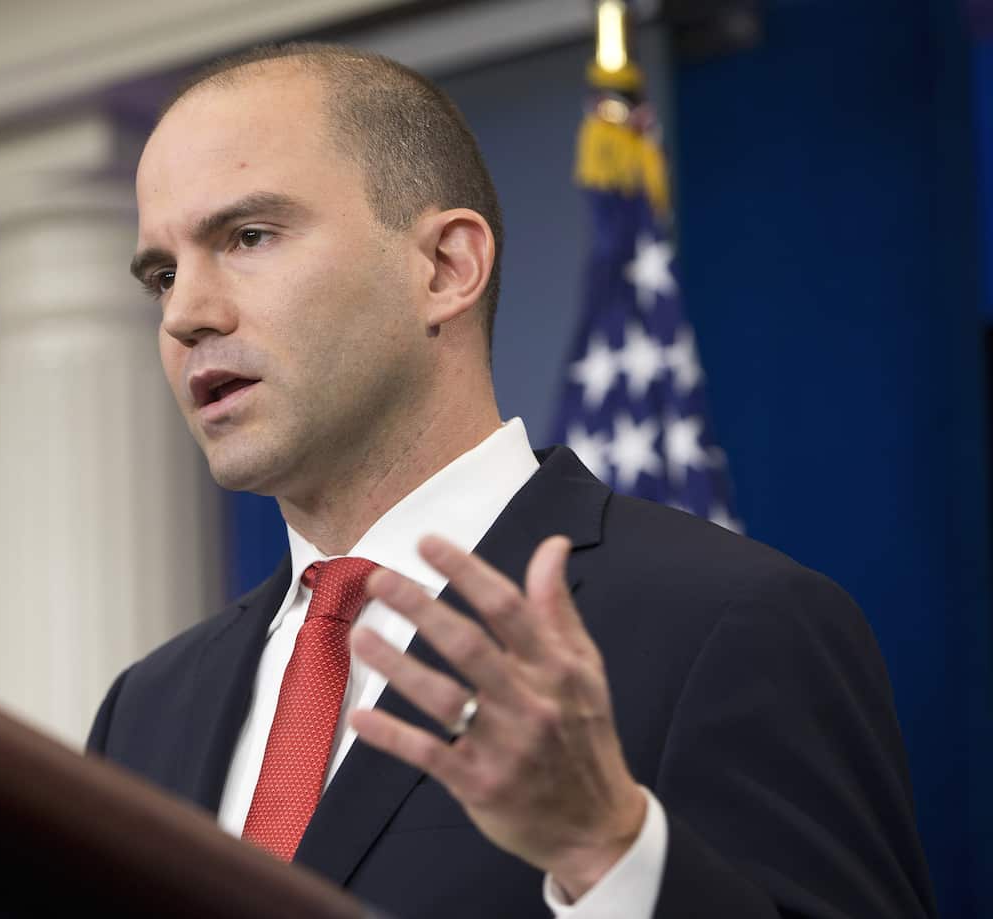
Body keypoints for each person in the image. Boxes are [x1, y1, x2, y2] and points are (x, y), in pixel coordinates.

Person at [87, 42, 935, 918]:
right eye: (162, 274)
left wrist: (608, 852)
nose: (185, 314)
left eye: (248, 236)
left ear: (447, 268)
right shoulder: (144, 712)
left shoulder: (729, 623)